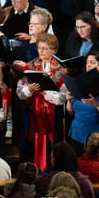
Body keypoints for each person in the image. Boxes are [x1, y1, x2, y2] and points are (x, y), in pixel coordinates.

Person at [16, 33, 67, 169]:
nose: (41, 51)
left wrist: (47, 94)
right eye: (39, 48)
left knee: (53, 143)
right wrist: (29, 90)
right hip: (33, 112)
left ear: (53, 50)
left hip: (53, 113)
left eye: (45, 48)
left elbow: (64, 96)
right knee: (31, 143)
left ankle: (50, 170)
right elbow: (20, 92)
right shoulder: (30, 66)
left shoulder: (61, 70)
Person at [66, 50, 99, 153]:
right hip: (77, 133)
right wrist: (69, 100)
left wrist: (97, 104)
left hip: (97, 137)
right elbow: (70, 111)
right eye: (87, 62)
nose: (88, 65)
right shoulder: (79, 82)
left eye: (92, 62)